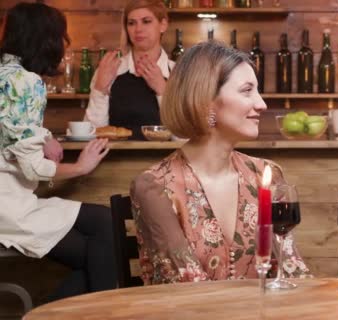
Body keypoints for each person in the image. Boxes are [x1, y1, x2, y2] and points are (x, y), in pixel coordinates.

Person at [130, 41, 310, 284]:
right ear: (207, 101)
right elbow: (186, 288)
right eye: (247, 90)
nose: (262, 104)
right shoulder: (155, 186)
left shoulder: (266, 174)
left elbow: (293, 271)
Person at [0, 2, 116, 300]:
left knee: (101, 236)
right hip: (9, 207)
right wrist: (81, 167)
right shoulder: (27, 83)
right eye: (62, 36)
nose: (66, 43)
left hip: (11, 200)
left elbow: (9, 129)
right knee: (101, 247)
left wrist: (45, 135)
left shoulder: (5, 74)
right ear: (47, 39)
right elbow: (32, 168)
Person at [84, 0, 174, 140]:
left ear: (163, 25)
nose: (138, 29)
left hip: (166, 160)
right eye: (131, 23)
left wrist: (163, 91)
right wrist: (100, 88)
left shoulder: (180, 74)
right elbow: (91, 134)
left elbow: (186, 138)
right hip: (114, 160)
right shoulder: (110, 71)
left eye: (146, 21)